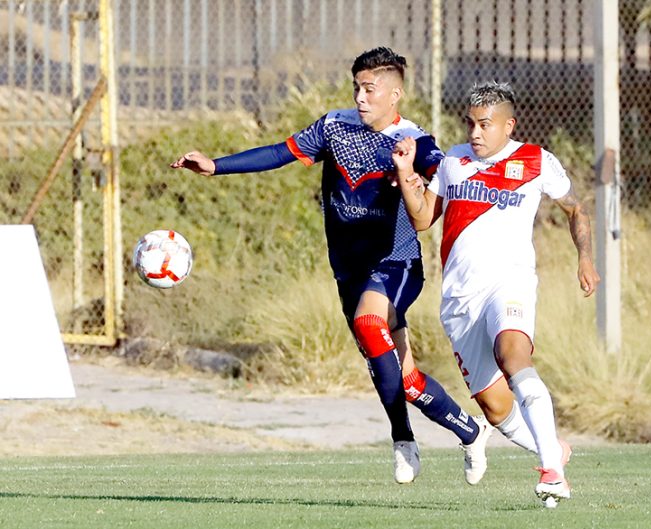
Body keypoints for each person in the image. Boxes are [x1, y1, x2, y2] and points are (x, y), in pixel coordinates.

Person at [170, 47, 493, 485]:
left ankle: (403, 441)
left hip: (396, 263)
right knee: (407, 377)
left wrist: (439, 179)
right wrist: (215, 166)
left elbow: (447, 176)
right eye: (356, 87)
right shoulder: (334, 127)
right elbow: (279, 153)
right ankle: (470, 431)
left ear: (394, 94)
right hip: (349, 271)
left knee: (368, 323)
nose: (360, 97)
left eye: (370, 89)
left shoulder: (413, 141)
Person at [391, 81, 600, 507]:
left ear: (509, 125)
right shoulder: (452, 161)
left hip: (510, 283)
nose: (475, 133)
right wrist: (405, 174)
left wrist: (585, 258)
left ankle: (552, 474)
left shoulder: (535, 160)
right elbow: (422, 220)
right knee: (496, 409)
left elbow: (575, 208)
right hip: (460, 300)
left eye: (485, 125)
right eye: (470, 124)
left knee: (513, 355)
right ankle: (552, 450)